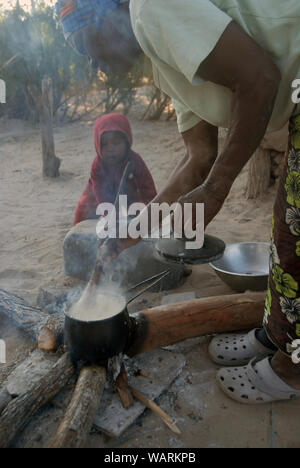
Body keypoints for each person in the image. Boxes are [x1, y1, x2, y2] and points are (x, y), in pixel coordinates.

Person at [55, 0, 300, 404]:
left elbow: (260, 78)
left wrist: (216, 190)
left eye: (86, 46)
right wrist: (136, 229)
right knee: (287, 232)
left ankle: (292, 370)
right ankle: (278, 336)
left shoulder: (149, 8)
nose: (95, 65)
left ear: (105, 16)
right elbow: (198, 158)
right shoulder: (164, 61)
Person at [73, 112, 157, 225]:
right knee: (83, 214)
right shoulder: (98, 164)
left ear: (127, 142)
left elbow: (148, 191)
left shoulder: (135, 161)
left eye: (116, 143)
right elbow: (101, 196)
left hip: (128, 198)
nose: (110, 149)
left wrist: (150, 214)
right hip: (97, 199)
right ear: (97, 144)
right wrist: (111, 218)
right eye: (104, 144)